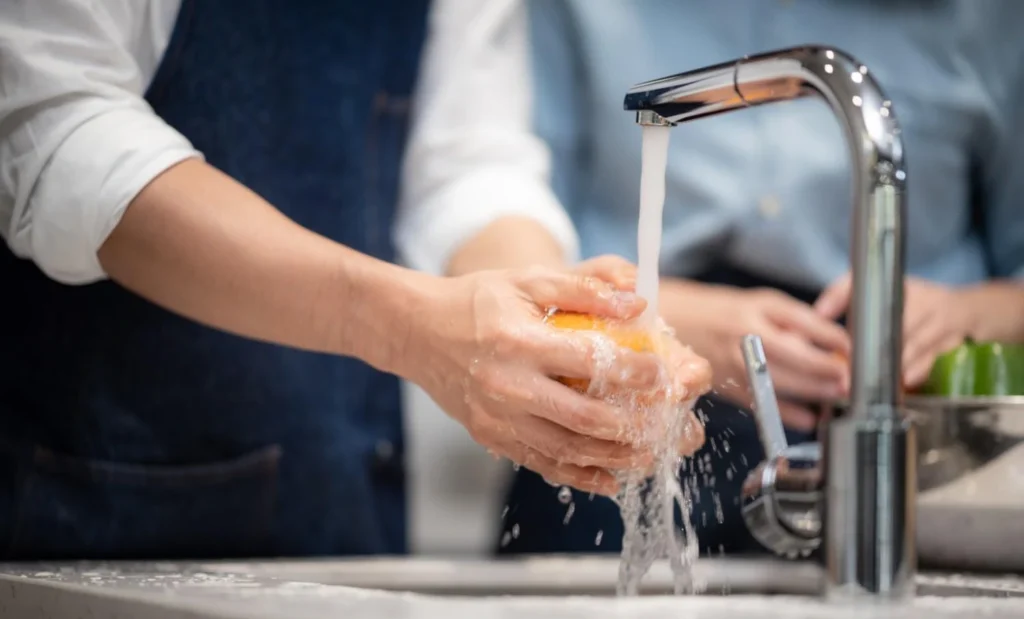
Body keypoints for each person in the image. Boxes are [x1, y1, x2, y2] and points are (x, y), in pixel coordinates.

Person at [0, 0, 711, 560]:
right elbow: (54, 119)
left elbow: (467, 164)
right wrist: (398, 324)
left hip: (342, 501)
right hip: (85, 500)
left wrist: (564, 319)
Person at [451, 0, 1024, 556]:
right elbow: (493, 202)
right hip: (627, 369)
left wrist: (970, 315)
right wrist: (656, 317)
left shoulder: (989, 17)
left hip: (909, 415)